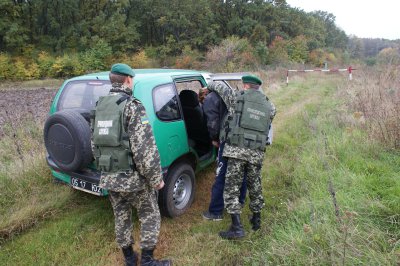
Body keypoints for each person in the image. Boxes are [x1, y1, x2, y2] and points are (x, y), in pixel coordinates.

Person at [91, 63, 171, 266]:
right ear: (128, 79)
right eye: (132, 79)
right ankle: (147, 261)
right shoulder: (133, 106)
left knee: (121, 215)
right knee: (150, 215)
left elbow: (94, 144)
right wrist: (156, 179)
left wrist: (105, 169)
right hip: (133, 179)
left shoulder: (99, 106)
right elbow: (144, 150)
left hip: (109, 175)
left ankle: (128, 258)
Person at [206, 75, 276, 239]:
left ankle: (236, 226)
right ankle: (256, 220)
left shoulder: (235, 97)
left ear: (245, 86)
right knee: (255, 184)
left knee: (232, 187)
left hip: (236, 151)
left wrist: (208, 83)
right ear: (258, 87)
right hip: (256, 152)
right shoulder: (270, 106)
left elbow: (217, 86)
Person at [201, 85, 247, 221]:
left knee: (221, 175)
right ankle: (240, 201)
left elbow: (213, 123)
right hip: (244, 141)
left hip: (226, 142)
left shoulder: (210, 98)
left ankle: (215, 212)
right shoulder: (236, 95)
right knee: (242, 172)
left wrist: (215, 139)